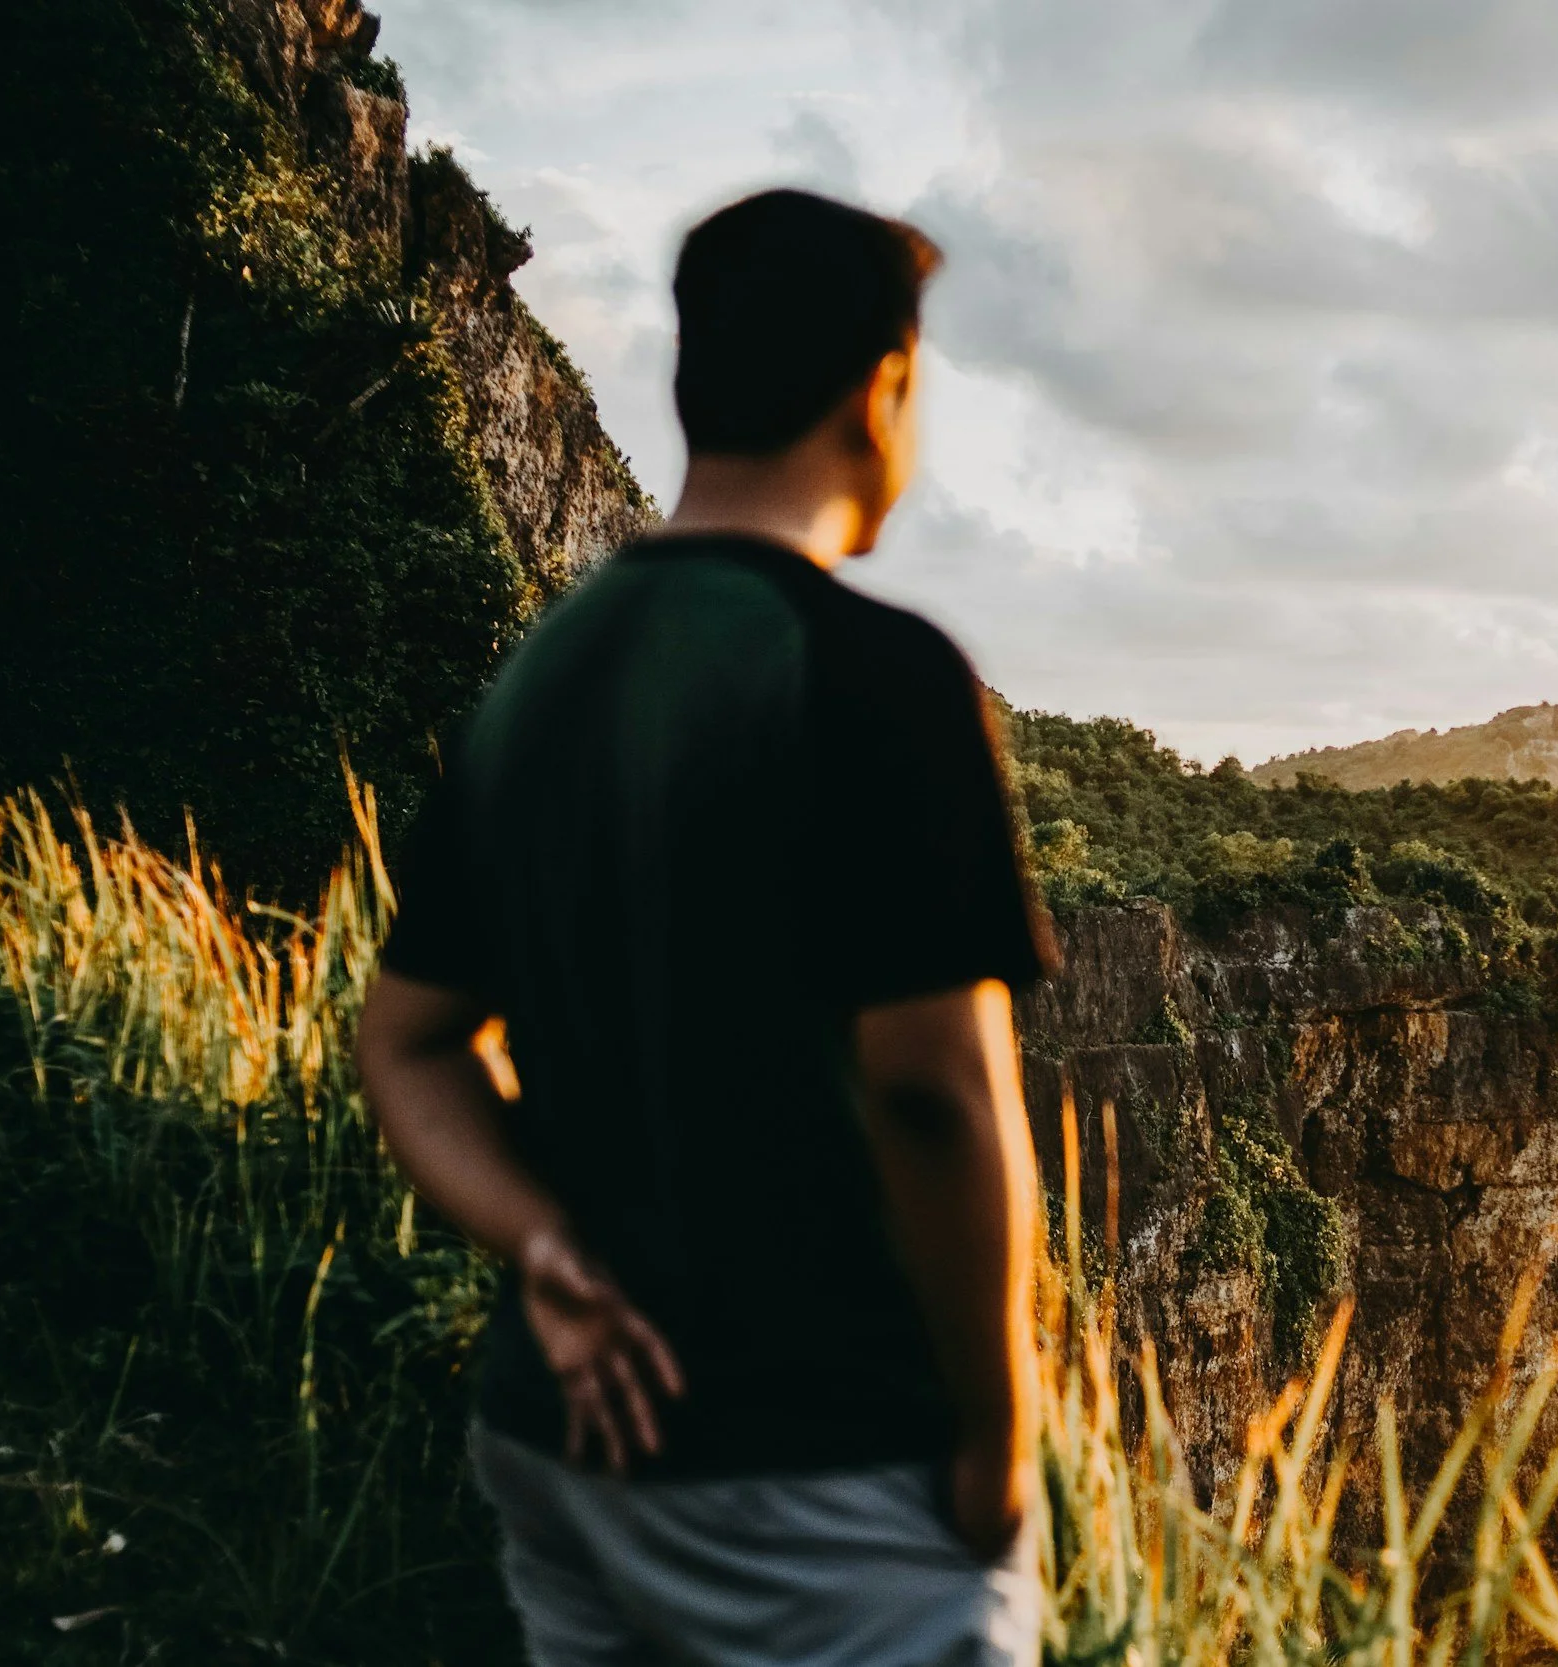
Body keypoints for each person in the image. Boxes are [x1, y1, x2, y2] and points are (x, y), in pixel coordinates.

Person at [355, 188, 1052, 1667]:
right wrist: (999, 1430)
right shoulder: (880, 677)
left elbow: (407, 1043)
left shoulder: (539, 675)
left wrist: (541, 1242)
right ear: (884, 390)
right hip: (819, 1465)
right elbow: (933, 1088)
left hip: (563, 1444)